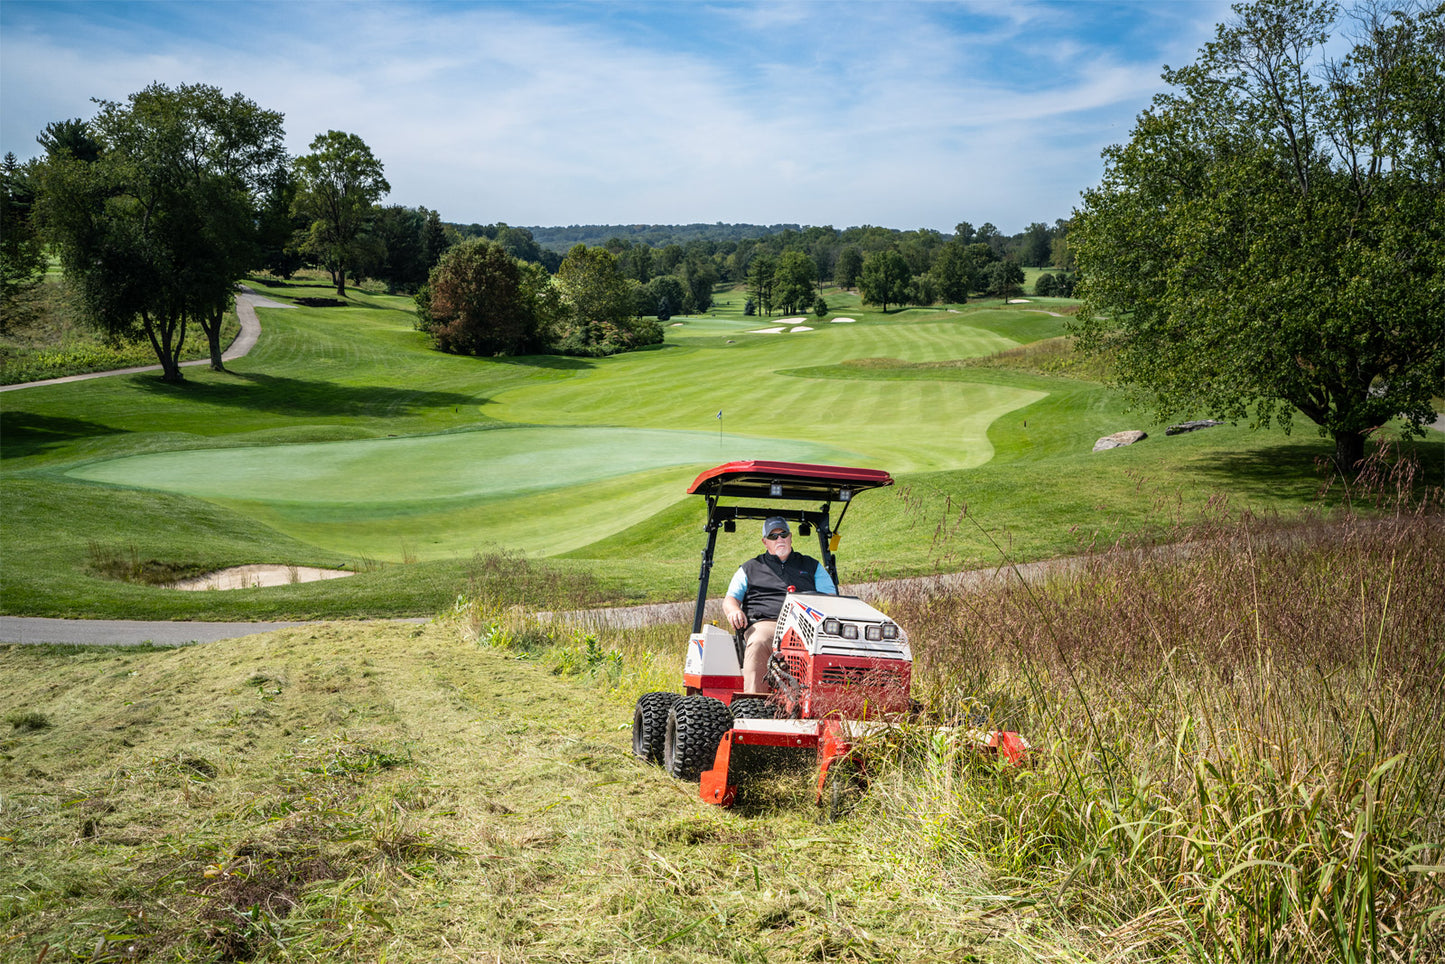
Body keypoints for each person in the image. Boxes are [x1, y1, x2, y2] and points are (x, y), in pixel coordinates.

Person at [722, 516, 837, 693]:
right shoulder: (750, 568)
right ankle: (755, 703)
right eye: (773, 536)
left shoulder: (811, 565)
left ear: (790, 537)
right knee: (759, 642)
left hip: (807, 624)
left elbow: (831, 598)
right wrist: (734, 611)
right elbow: (730, 599)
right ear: (765, 542)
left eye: (783, 534)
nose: (780, 539)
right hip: (768, 624)